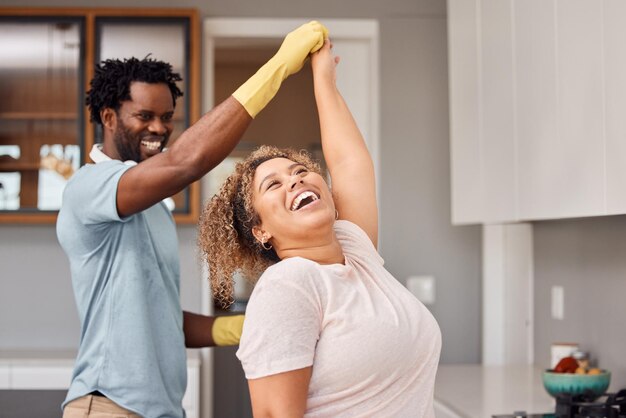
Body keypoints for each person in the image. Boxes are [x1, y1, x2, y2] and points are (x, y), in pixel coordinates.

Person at [57, 21, 329, 418]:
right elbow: (185, 162)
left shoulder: (152, 210)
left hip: (164, 410)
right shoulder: (89, 188)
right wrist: (278, 68)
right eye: (144, 115)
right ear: (108, 117)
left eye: (167, 117)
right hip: (108, 405)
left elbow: (162, 319)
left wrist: (243, 325)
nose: (159, 128)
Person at [198, 39, 442, 417]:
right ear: (260, 230)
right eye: (273, 185)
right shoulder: (290, 284)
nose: (294, 181)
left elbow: (349, 163)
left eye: (300, 172)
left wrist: (323, 79)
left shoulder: (354, 252)